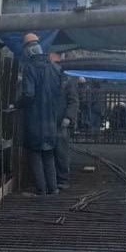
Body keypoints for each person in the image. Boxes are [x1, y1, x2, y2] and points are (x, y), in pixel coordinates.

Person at [17, 34, 63, 195]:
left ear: (28, 51)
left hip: (35, 119)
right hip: (50, 120)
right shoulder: (53, 68)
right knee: (49, 154)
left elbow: (29, 95)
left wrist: (17, 104)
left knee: (35, 154)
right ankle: (53, 188)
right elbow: (59, 94)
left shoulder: (30, 68)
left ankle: (41, 190)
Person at [50, 53, 79, 190]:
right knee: (49, 151)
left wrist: (68, 117)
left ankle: (62, 179)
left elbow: (73, 101)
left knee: (61, 151)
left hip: (62, 122)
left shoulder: (67, 81)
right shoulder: (48, 80)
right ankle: (52, 179)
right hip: (48, 121)